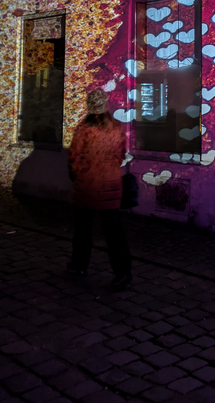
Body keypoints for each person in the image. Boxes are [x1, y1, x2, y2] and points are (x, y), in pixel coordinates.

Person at [67, 89, 132, 289]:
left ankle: (79, 264)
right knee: (114, 232)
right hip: (111, 185)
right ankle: (122, 272)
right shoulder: (117, 128)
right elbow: (121, 155)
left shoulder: (84, 129)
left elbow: (74, 158)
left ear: (89, 106)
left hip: (87, 185)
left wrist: (77, 175)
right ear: (105, 105)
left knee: (83, 230)